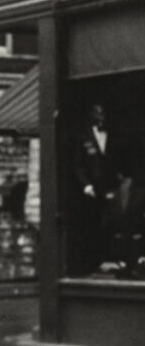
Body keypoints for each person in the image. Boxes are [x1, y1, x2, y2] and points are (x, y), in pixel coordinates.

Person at [74, 103, 122, 274]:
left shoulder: (112, 135)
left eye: (103, 113)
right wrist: (86, 185)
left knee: (110, 224)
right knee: (92, 225)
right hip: (92, 191)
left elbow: (115, 161)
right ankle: (92, 262)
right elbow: (78, 165)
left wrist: (118, 183)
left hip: (110, 189)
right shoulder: (83, 136)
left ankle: (110, 259)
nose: (101, 117)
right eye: (97, 113)